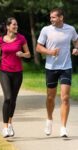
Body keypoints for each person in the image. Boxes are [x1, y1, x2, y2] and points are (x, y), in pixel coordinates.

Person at [36, 8, 78, 137]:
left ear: (61, 18)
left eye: (54, 17)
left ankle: (63, 127)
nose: (51, 19)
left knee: (65, 97)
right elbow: (38, 47)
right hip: (51, 67)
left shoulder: (70, 29)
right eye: (51, 17)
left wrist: (76, 48)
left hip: (66, 67)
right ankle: (49, 119)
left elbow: (76, 40)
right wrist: (50, 52)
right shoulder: (46, 30)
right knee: (50, 97)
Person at [0, 17, 31, 138]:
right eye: (14, 25)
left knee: (13, 100)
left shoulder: (21, 38)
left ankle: (10, 123)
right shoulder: (0, 40)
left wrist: (22, 54)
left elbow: (28, 54)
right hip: (4, 71)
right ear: (8, 27)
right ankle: (5, 128)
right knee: (8, 98)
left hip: (17, 73)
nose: (16, 26)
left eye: (17, 24)